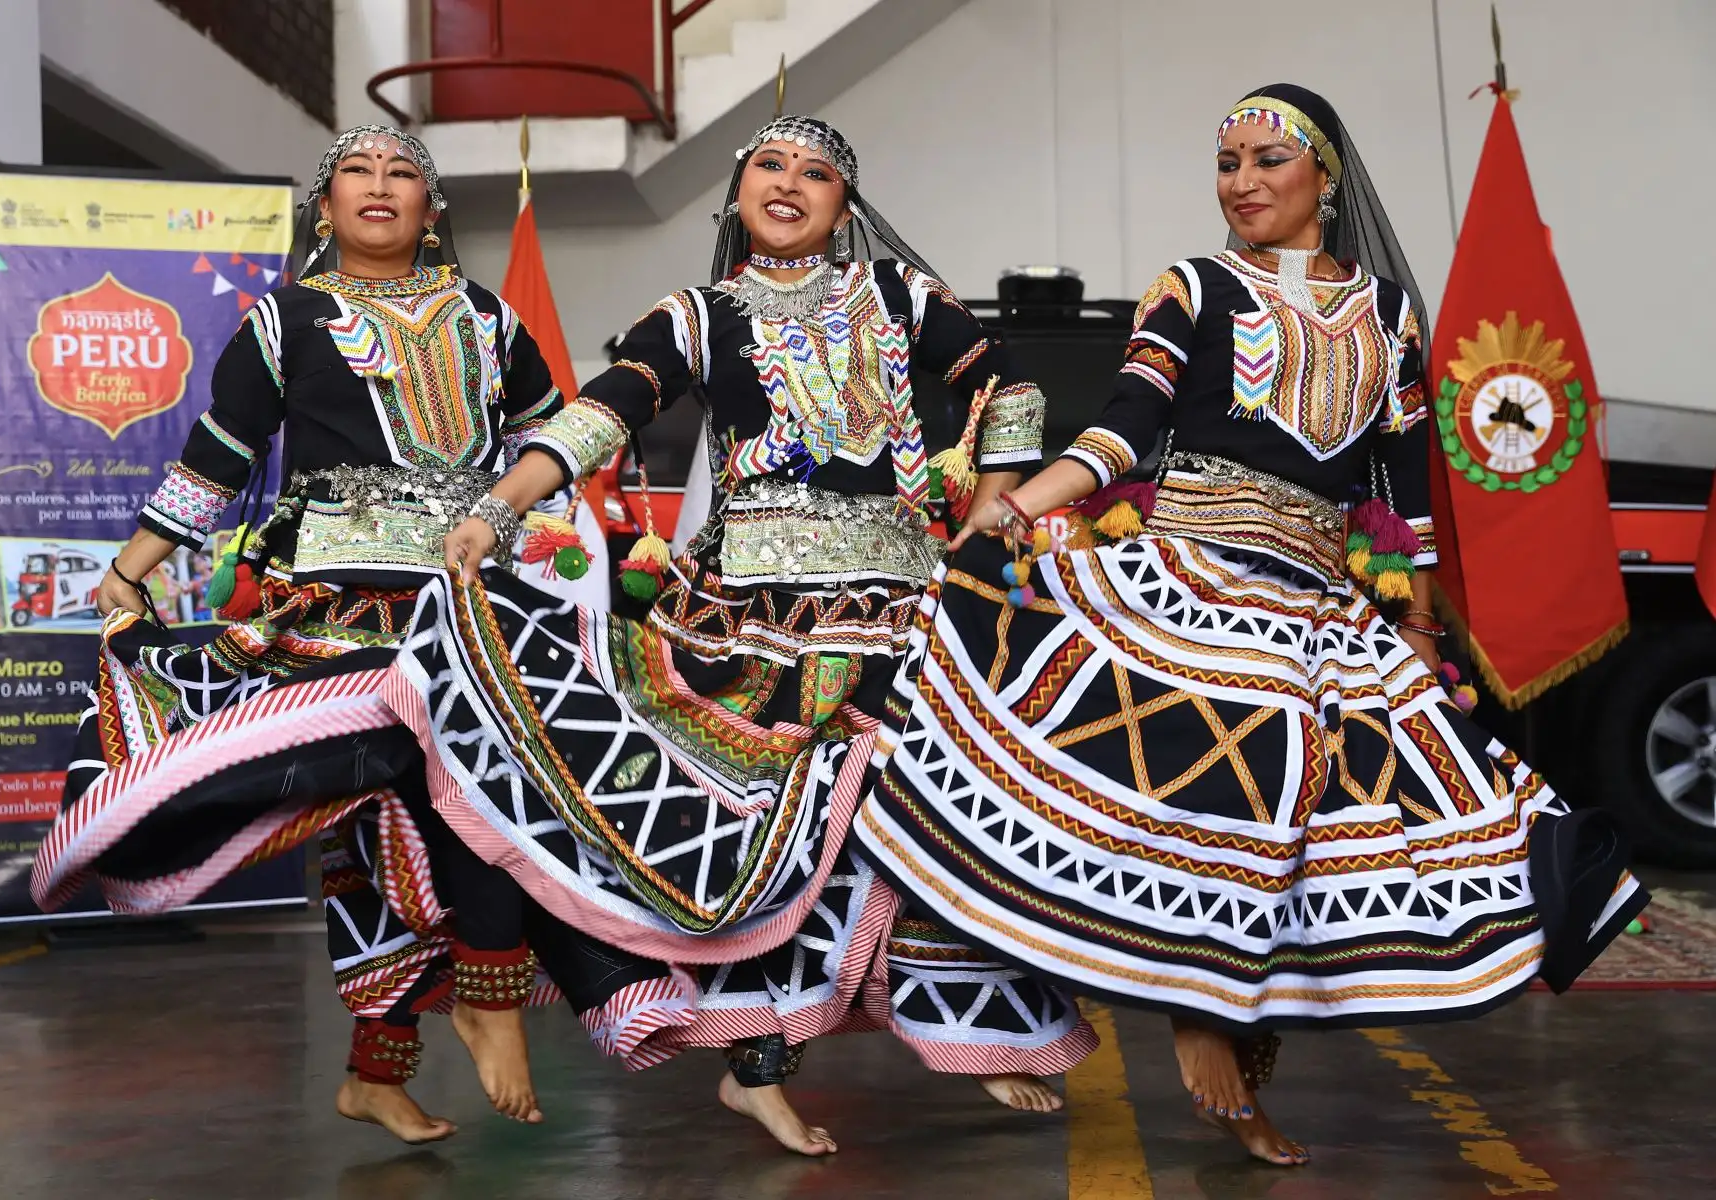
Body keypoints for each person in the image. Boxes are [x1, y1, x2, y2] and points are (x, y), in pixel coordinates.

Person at [856, 84, 1648, 1167]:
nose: (1242, 182)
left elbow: (1407, 482)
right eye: (1227, 162)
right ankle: (1185, 1023)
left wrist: (1415, 618)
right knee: (1241, 757)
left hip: (1323, 596)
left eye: (1268, 160)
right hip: (1189, 568)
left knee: (1357, 819)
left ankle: (1236, 1055)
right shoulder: (1191, 288)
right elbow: (1130, 425)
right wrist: (1023, 501)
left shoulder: (1388, 315)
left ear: (1325, 176)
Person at [393, 114, 1096, 1156]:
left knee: (937, 820)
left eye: (818, 173)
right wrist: (499, 507)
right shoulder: (697, 315)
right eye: (771, 165)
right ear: (737, 194)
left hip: (902, 598)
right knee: (769, 836)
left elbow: (1014, 387)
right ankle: (755, 1068)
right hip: (756, 612)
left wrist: (992, 501)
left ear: (844, 209)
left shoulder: (900, 299)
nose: (791, 183)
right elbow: (603, 414)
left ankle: (981, 1033)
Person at [30, 125, 567, 1143]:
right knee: (426, 788)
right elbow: (218, 457)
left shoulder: (491, 319)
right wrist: (129, 570)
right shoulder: (285, 321)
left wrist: (551, 541)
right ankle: (490, 998)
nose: (379, 187)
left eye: (403, 173)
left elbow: (553, 438)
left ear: (432, 208)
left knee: (398, 827)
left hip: (472, 600)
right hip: (339, 606)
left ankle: (376, 1070)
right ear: (323, 210)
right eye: (356, 174)